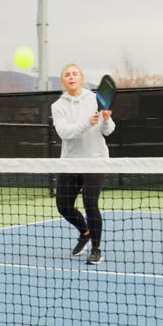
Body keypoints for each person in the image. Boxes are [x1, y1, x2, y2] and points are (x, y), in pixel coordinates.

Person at [51, 63, 115, 265]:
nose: (71, 77)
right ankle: (84, 232)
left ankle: (96, 248)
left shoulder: (94, 99)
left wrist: (105, 120)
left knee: (90, 203)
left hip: (95, 161)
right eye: (67, 75)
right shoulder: (57, 106)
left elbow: (108, 130)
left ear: (81, 78)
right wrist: (88, 122)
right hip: (70, 163)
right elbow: (65, 133)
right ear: (64, 81)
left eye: (75, 74)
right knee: (63, 206)